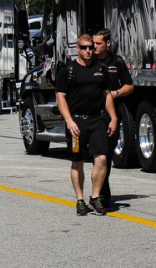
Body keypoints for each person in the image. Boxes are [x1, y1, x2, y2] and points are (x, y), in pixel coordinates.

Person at [55, 33, 117, 216]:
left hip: (97, 120)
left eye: (91, 47)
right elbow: (60, 97)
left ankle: (95, 196)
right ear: (78, 49)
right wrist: (69, 121)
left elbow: (106, 95)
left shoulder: (101, 69)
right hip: (77, 122)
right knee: (77, 162)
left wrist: (113, 118)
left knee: (102, 158)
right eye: (84, 48)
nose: (89, 51)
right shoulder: (68, 70)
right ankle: (80, 200)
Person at [92, 28, 134, 210]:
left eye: (98, 43)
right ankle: (100, 194)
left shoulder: (116, 62)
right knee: (98, 155)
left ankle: (102, 193)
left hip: (112, 115)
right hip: (92, 114)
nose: (94, 47)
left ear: (108, 44)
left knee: (106, 155)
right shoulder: (89, 61)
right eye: (93, 43)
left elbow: (129, 86)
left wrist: (115, 93)